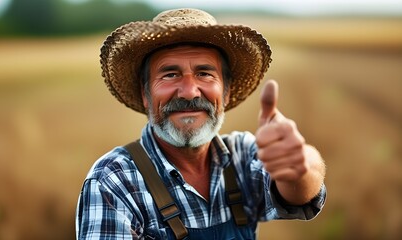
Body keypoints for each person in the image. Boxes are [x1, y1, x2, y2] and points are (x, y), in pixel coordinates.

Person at [76, 8, 326, 240]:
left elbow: (300, 193)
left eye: (204, 73)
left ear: (226, 92)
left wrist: (301, 164)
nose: (188, 92)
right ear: (146, 94)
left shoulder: (242, 155)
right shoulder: (114, 180)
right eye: (170, 74)